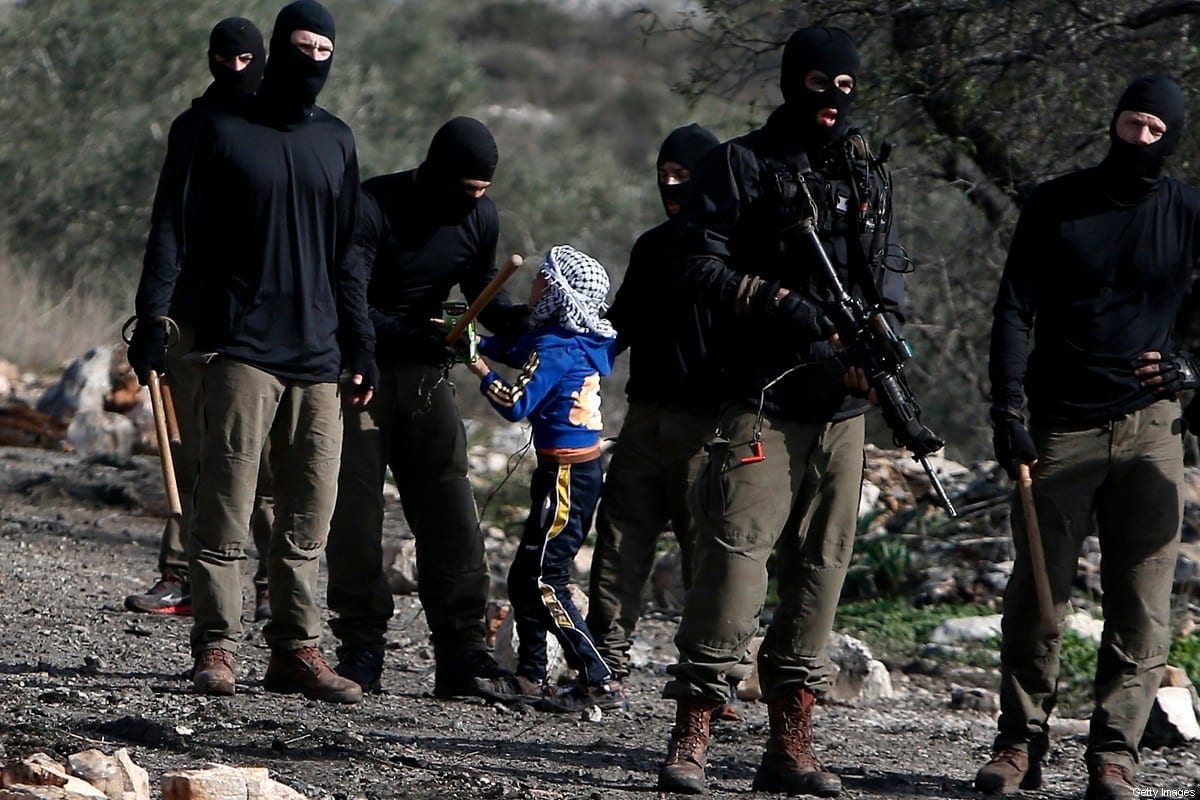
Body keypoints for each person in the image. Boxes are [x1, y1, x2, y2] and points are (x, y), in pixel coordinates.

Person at [656, 26, 906, 797]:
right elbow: (693, 262)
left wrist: (880, 351)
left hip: (841, 409)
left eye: (845, 88)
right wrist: (784, 306)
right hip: (763, 397)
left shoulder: (868, 177)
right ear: (792, 80)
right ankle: (694, 727)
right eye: (817, 84)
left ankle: (791, 739)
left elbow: (889, 273)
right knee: (736, 560)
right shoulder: (740, 164)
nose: (831, 102)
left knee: (822, 573)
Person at [131, 0, 375, 704]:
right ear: (276, 48)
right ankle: (216, 645)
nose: (311, 62)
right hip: (241, 350)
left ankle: (296, 648)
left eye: (323, 51)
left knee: (308, 516)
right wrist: (154, 318)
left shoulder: (336, 140)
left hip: (320, 357)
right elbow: (170, 229)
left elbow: (349, 256)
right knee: (228, 509)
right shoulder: (216, 128)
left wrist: (362, 343)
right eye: (300, 48)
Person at [978, 74, 1199, 800]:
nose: (1138, 141)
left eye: (1154, 132)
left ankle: (1115, 755)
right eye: (1130, 124)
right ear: (1113, 120)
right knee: (1037, 598)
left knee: (1142, 603)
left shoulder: (1186, 209)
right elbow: (1014, 310)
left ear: (1171, 138)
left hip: (1151, 430)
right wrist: (1007, 408)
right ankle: (1019, 743)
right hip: (1058, 425)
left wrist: (1187, 365)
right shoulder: (1057, 203)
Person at [325, 116, 529, 697]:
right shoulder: (375, 205)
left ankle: (463, 651)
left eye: (483, 192)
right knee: (357, 511)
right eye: (465, 190)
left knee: (450, 503)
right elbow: (350, 291)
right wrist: (394, 337)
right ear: (437, 171)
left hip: (427, 372)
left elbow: (482, 287)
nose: (473, 203)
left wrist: (518, 321)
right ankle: (361, 646)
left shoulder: (480, 218)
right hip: (363, 370)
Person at [126, 16, 274, 623]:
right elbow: (168, 224)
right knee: (187, 448)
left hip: (263, 319)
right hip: (190, 312)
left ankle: (269, 582)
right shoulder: (192, 128)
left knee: (260, 455)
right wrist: (152, 316)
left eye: (246, 61)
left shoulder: (281, 128)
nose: (235, 72)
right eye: (224, 59)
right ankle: (180, 572)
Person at [584, 123, 721, 689]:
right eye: (663, 175)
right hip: (644, 419)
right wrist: (573, 354)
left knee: (708, 553)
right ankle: (604, 662)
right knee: (619, 541)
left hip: (708, 428)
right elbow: (620, 325)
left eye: (682, 176)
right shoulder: (652, 247)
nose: (669, 185)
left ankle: (712, 676)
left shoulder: (738, 248)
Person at [466, 245, 624, 712]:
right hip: (573, 471)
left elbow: (516, 403)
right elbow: (521, 351)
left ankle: (599, 678)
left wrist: (477, 365)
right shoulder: (585, 338)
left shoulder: (555, 345)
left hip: (567, 476)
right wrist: (470, 339)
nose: (532, 287)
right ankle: (530, 676)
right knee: (523, 576)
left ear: (556, 292)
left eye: (541, 280)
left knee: (546, 579)